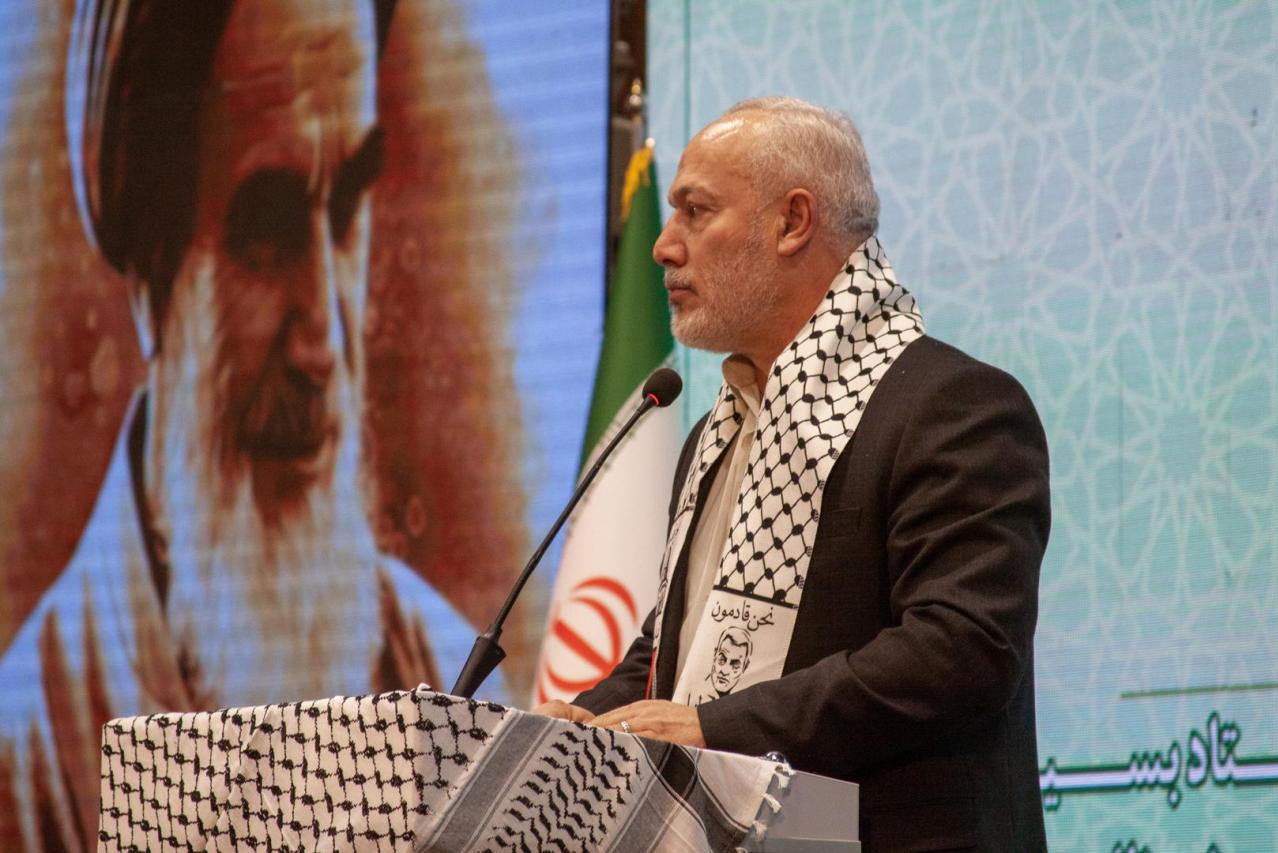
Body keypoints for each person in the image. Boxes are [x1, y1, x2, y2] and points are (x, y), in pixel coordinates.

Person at [0, 1, 496, 849]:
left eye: (347, 206)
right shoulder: (22, 765)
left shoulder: (454, 682)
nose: (324, 345)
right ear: (153, 271)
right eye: (266, 231)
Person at [534, 97, 1050, 851]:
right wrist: (577, 728)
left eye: (695, 212)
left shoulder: (950, 406)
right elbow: (677, 654)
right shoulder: (714, 434)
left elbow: (960, 649)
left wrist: (716, 729)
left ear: (793, 222)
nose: (663, 247)